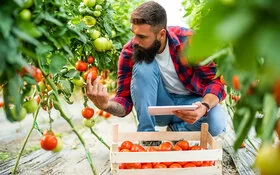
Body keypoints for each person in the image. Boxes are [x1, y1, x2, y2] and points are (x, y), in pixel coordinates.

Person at [86, 1, 228, 141]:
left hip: (191, 104)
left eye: (142, 36)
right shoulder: (130, 51)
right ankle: (147, 135)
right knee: (142, 64)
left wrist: (203, 106)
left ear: (161, 34)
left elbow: (214, 82)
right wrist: (106, 105)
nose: (135, 41)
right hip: (159, 106)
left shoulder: (190, 42)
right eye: (134, 34)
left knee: (216, 125)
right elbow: (124, 100)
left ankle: (176, 130)